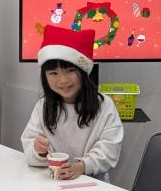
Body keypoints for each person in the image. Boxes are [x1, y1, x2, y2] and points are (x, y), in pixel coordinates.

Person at [21, 25, 123, 181]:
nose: (63, 80)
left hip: (92, 186)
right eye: (53, 73)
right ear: (45, 76)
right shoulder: (43, 106)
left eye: (70, 71)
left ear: (83, 71)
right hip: (52, 184)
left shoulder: (104, 105)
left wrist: (83, 166)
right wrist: (38, 150)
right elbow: (29, 146)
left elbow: (110, 148)